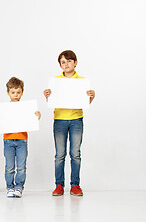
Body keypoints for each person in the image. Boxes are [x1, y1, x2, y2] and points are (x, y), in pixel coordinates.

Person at [43, 50, 95, 196]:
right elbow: (54, 101)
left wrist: (91, 97)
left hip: (76, 120)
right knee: (60, 154)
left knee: (75, 154)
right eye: (63, 62)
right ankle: (59, 185)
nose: (66, 64)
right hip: (59, 120)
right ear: (60, 65)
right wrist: (48, 96)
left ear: (75, 63)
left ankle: (75, 185)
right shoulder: (56, 81)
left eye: (69, 61)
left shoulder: (82, 81)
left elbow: (85, 103)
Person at [0, 77, 41, 198]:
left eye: (18, 92)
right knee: (9, 167)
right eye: (13, 92)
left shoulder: (26, 108)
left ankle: (19, 187)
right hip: (8, 140)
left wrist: (37, 117)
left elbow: (31, 121)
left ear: (22, 92)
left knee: (21, 166)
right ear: (8, 93)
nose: (15, 95)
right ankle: (10, 187)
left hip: (22, 141)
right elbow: (1, 125)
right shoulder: (4, 109)